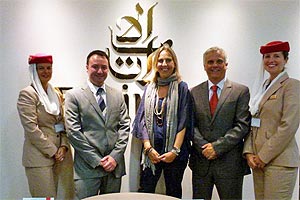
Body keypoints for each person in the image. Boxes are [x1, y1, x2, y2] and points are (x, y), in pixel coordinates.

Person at [64, 50, 130, 199]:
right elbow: (73, 132)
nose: (100, 71)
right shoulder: (74, 96)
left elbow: (125, 127)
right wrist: (96, 160)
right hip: (87, 168)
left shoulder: (117, 95)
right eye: (95, 67)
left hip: (114, 167)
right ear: (87, 67)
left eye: (104, 67)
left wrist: (114, 157)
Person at [132, 43, 193, 198]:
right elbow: (142, 121)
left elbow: (184, 120)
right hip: (151, 151)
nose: (164, 64)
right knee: (146, 191)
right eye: (160, 61)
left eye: (168, 60)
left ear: (174, 63)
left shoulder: (181, 88)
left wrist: (175, 151)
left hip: (176, 151)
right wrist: (148, 148)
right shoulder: (149, 88)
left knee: (173, 192)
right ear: (155, 64)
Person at [189, 47, 251, 199]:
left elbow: (242, 125)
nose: (214, 65)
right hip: (201, 163)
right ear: (204, 66)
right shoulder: (194, 92)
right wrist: (204, 147)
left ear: (226, 64)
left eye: (219, 61)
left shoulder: (240, 91)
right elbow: (190, 124)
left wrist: (216, 147)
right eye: (210, 62)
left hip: (230, 164)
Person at [243, 41, 300, 200]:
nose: (271, 60)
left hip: (279, 161)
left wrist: (263, 156)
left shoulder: (292, 86)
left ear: (285, 59)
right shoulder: (263, 87)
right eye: (267, 56)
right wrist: (249, 152)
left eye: (276, 56)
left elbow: (288, 126)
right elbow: (253, 124)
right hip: (258, 161)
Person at [17, 53, 74, 199]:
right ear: (33, 70)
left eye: (49, 68)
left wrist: (63, 146)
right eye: (41, 68)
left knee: (65, 196)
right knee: (42, 198)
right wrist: (53, 151)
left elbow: (61, 123)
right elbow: (31, 129)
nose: (45, 72)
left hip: (61, 156)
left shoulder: (55, 92)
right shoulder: (27, 94)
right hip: (39, 158)